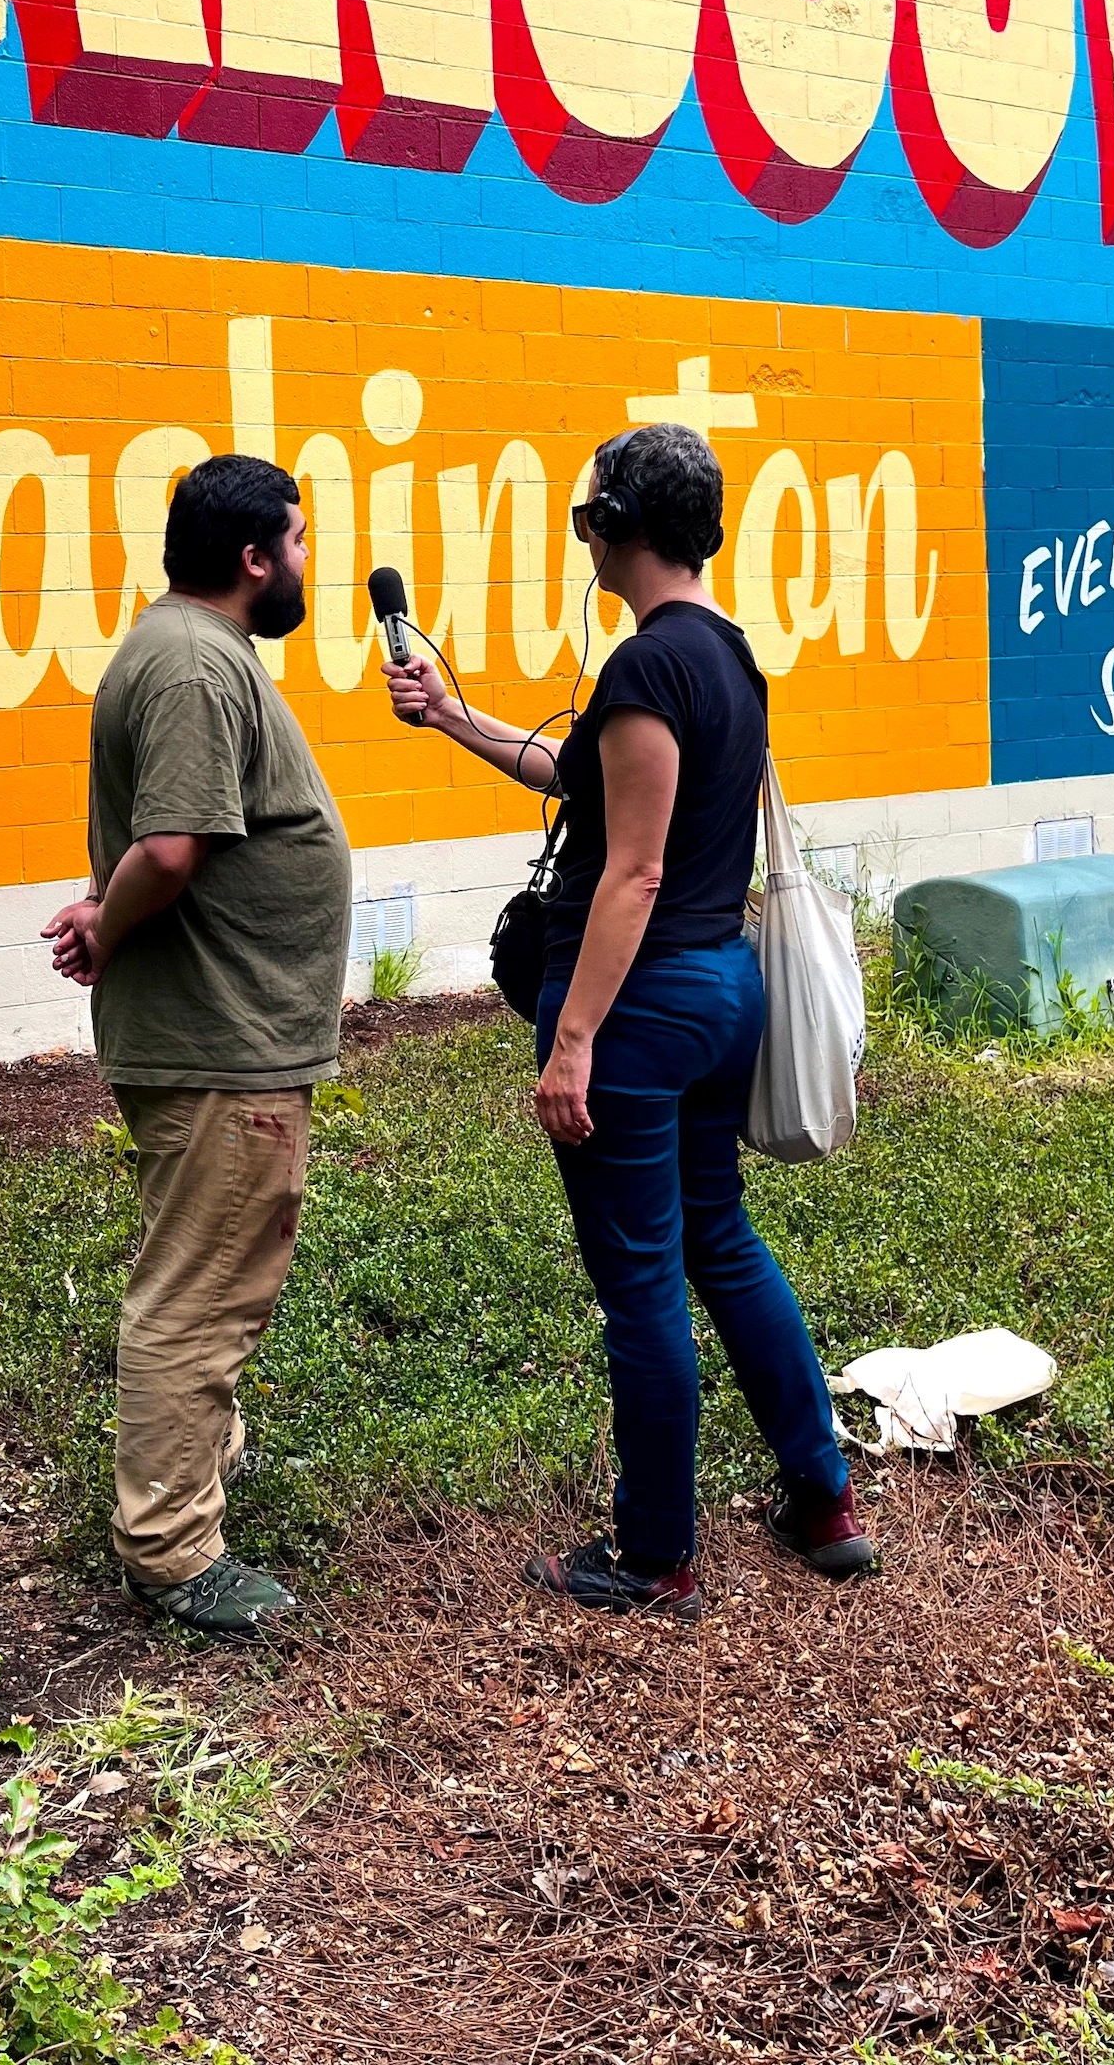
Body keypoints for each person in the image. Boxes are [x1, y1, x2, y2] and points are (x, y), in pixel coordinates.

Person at [380, 421, 875, 1618]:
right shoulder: (728, 658)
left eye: (585, 517)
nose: (582, 538)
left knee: (643, 1283)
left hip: (641, 1014)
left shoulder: (649, 667)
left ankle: (656, 1555)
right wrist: (450, 716)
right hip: (717, 996)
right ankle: (822, 1501)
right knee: (721, 1243)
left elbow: (635, 870)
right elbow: (581, 780)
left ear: (621, 525)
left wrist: (574, 1043)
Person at [45, 453, 351, 1637]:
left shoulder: (195, 652)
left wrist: (102, 910)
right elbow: (171, 847)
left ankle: (194, 1460)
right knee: (200, 1292)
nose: (309, 561)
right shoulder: (191, 662)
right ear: (254, 557)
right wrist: (109, 923)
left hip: (228, 1030)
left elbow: (162, 842)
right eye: (301, 540)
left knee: (211, 1269)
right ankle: (170, 1546)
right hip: (219, 1036)